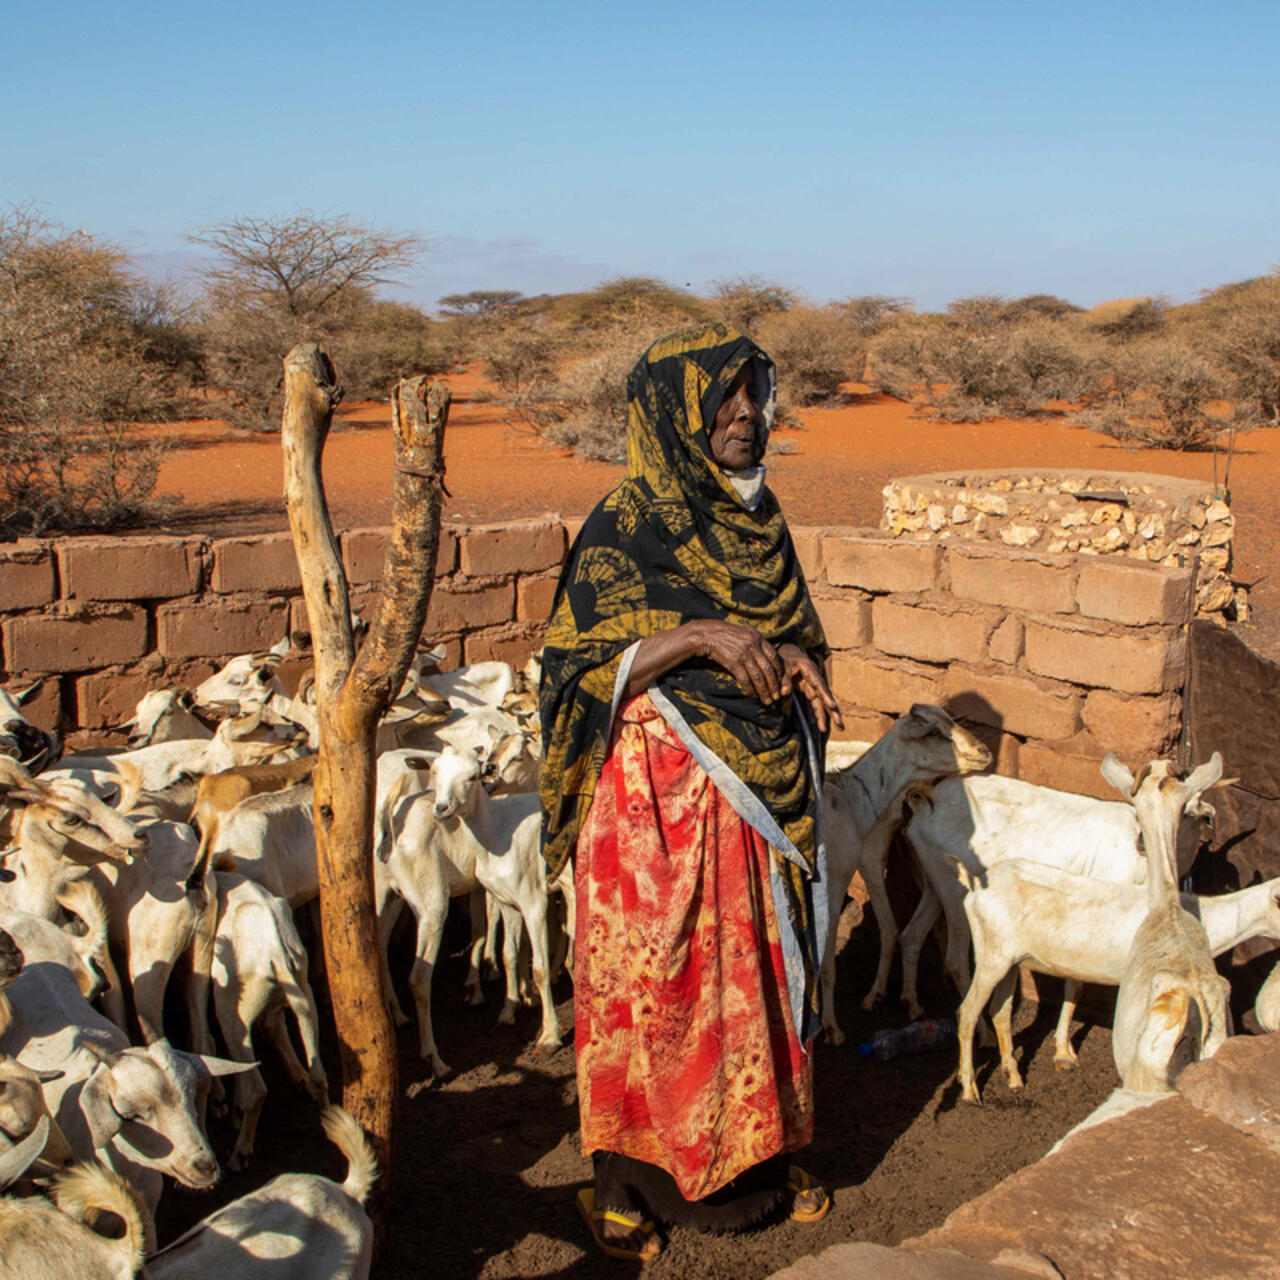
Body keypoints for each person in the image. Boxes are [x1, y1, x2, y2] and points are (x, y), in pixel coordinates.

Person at [539, 323, 843, 1261]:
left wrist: (792, 660)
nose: (747, 417)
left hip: (747, 803)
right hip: (650, 815)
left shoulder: (760, 520)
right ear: (677, 414)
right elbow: (573, 668)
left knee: (753, 974)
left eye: (755, 396)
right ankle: (630, 1187)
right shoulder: (623, 524)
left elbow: (788, 628)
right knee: (655, 985)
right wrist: (701, 636)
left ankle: (761, 1162)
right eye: (725, 400)